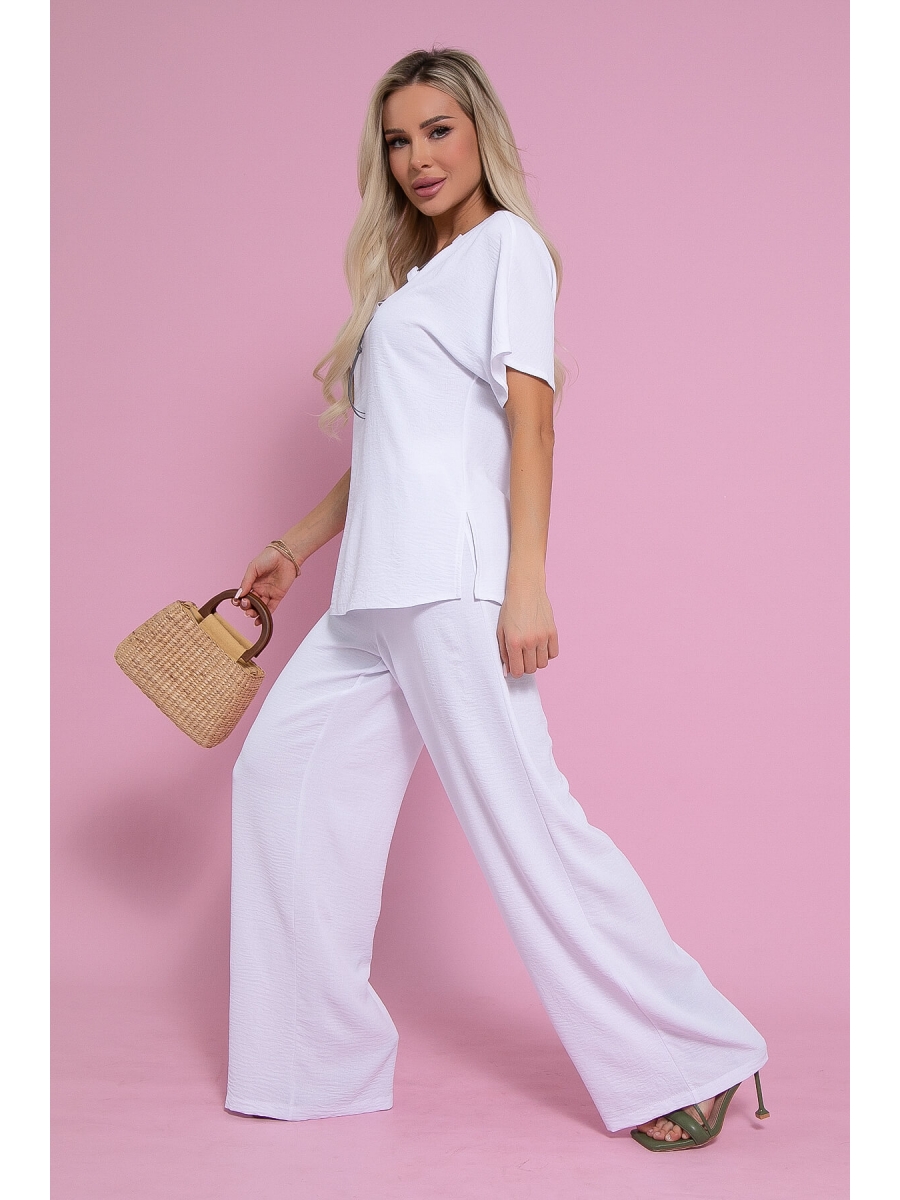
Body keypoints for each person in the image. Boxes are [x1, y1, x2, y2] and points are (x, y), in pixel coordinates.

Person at [224, 46, 769, 1151]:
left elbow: (534, 418)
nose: (417, 157)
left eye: (437, 130)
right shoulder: (413, 283)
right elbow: (387, 452)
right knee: (279, 779)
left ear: (481, 134)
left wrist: (527, 584)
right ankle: (313, 1063)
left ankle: (696, 1055)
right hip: (370, 600)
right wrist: (294, 546)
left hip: (453, 587)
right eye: (397, 140)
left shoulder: (508, 249)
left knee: (529, 827)